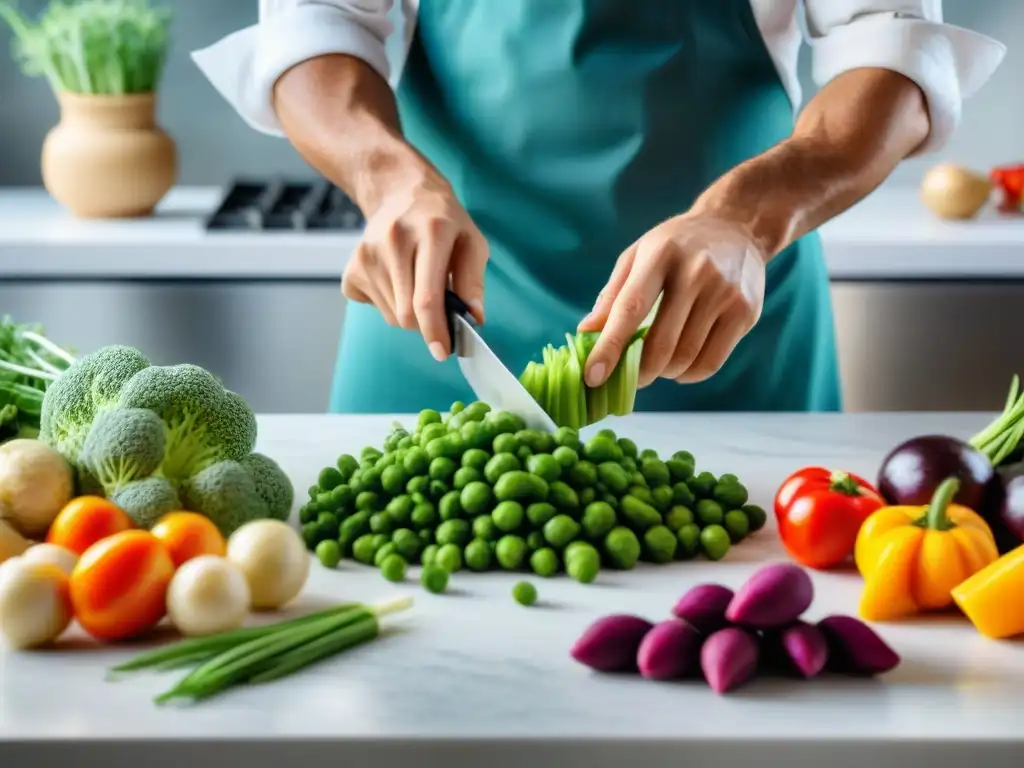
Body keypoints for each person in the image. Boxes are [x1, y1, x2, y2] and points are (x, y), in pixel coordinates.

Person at [193, 1, 1004, 414]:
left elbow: (895, 51)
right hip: (434, 322)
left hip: (723, 330)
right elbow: (313, 25)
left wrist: (745, 218)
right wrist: (388, 180)